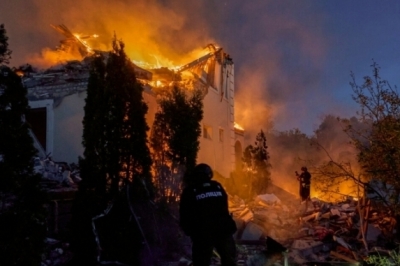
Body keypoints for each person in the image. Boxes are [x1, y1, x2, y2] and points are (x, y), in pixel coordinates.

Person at [179, 163, 237, 266]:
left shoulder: (190, 191)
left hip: (203, 233)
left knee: (202, 262)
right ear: (210, 174)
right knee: (229, 260)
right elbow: (224, 207)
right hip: (223, 229)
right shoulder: (217, 186)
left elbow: (184, 214)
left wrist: (189, 231)